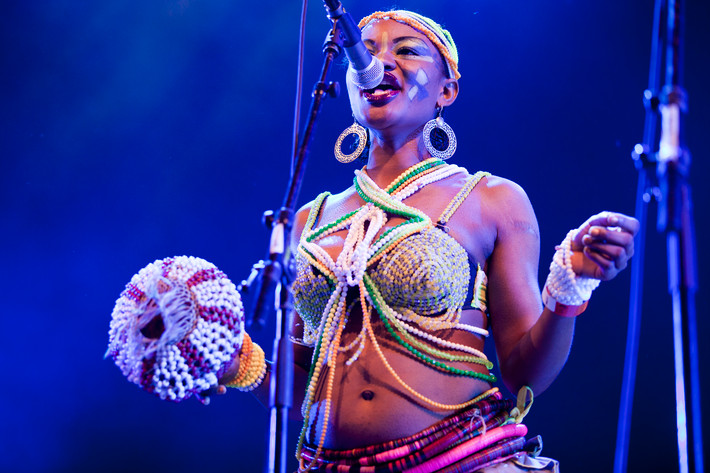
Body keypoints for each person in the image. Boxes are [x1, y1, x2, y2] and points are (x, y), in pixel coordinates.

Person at [218, 9, 639, 472]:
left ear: (447, 90)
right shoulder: (306, 222)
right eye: (368, 52)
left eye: (406, 51)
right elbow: (304, 391)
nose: (379, 62)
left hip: (463, 461)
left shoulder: (490, 200)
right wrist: (237, 360)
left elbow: (524, 372)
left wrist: (570, 285)